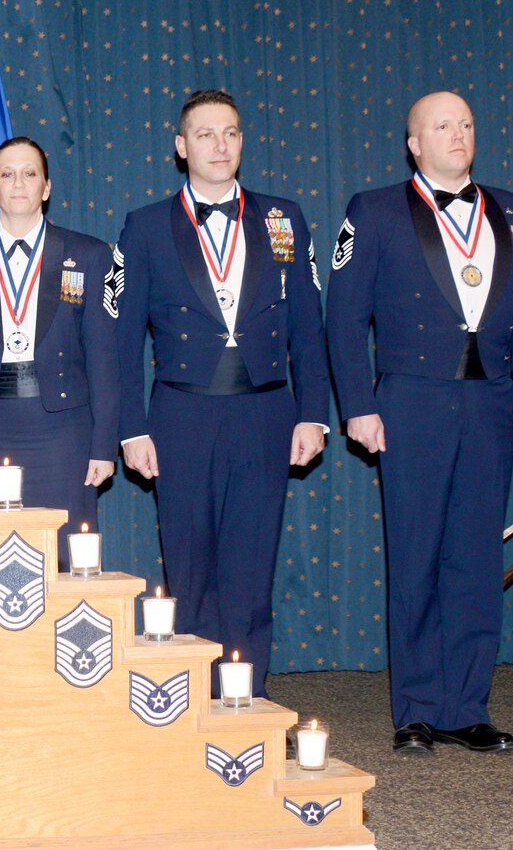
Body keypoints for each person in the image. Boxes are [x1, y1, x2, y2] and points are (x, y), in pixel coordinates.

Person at [326, 91, 513, 756]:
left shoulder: (511, 211)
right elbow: (342, 318)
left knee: (476, 559)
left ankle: (467, 706)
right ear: (414, 144)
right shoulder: (374, 210)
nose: (458, 135)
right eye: (442, 126)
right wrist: (359, 405)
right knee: (417, 554)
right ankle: (418, 709)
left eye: (467, 124)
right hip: (410, 401)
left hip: (490, 401)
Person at [115, 90, 329, 698]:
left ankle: (245, 697)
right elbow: (123, 340)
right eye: (205, 135)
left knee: (251, 564)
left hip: (266, 412)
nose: (219, 145)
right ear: (181, 147)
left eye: (230, 133)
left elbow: (308, 329)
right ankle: (190, 704)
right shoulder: (147, 226)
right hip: (182, 414)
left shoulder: (283, 218)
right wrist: (132, 427)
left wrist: (312, 413)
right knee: (188, 567)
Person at [0, 137, 118, 523]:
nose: (18, 184)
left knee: (64, 555)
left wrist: (103, 445)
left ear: (46, 187)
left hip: (64, 428)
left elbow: (103, 358)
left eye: (29, 174)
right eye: (7, 174)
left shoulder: (89, 255)